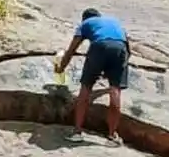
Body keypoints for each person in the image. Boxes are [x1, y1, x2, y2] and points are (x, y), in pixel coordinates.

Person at [56, 8, 131, 144]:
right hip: (121, 48)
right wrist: (113, 68)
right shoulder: (114, 21)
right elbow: (127, 45)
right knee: (115, 90)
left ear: (84, 18)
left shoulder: (85, 24)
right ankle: (112, 135)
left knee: (86, 87)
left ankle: (77, 132)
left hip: (99, 47)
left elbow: (72, 50)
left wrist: (61, 68)